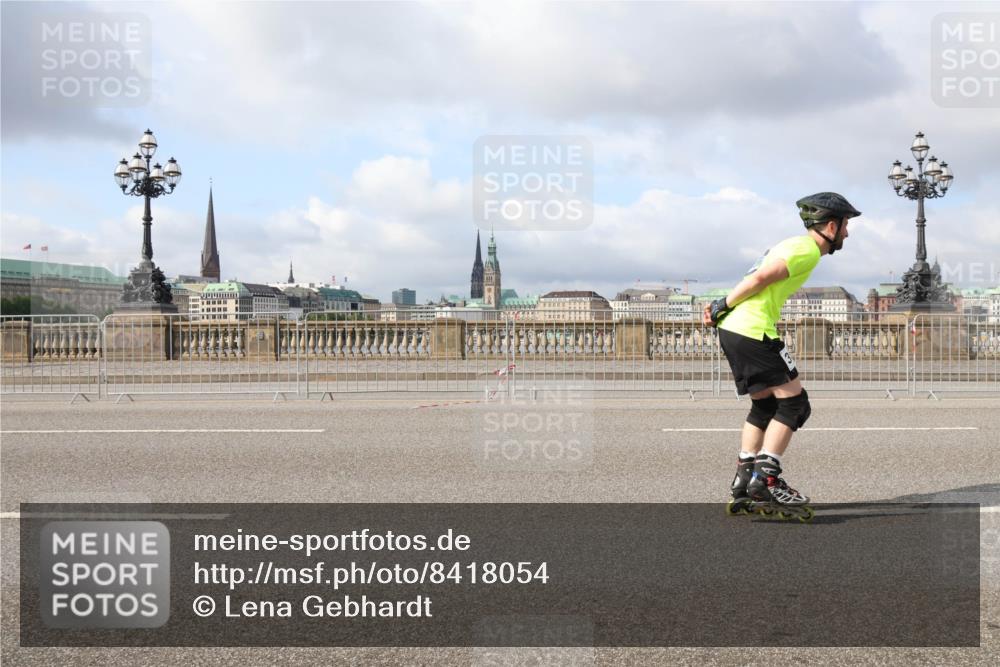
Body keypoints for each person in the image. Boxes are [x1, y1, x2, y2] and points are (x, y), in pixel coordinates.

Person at [703, 192, 861, 520]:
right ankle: (766, 479)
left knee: (764, 405)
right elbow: (761, 278)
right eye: (845, 226)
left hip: (734, 329)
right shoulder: (806, 251)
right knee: (794, 404)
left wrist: (724, 309)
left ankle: (744, 477)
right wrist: (723, 303)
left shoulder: (790, 243)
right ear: (831, 226)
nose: (847, 233)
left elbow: (756, 275)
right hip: (753, 328)